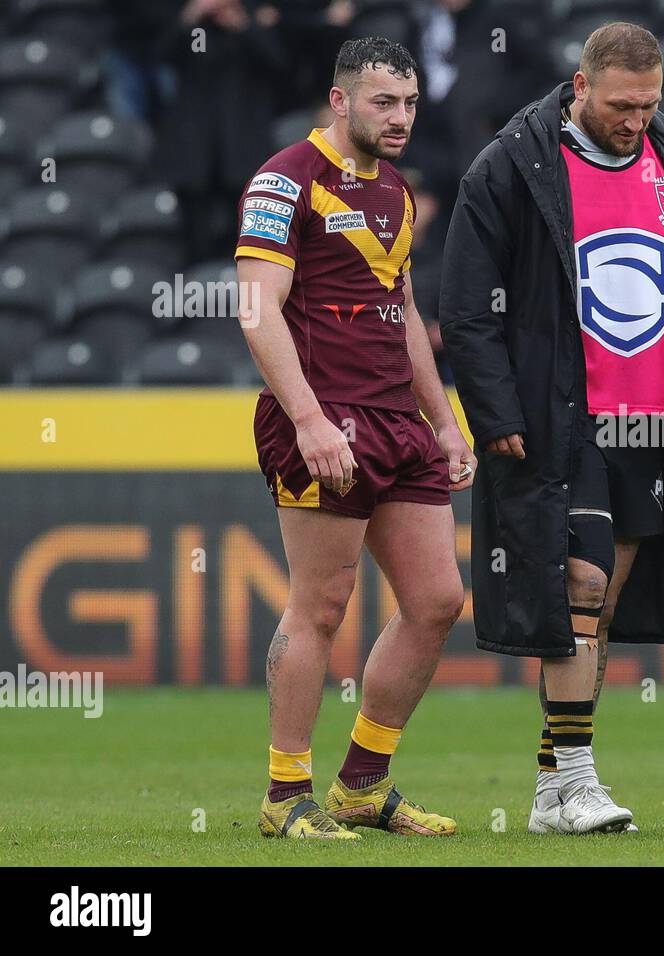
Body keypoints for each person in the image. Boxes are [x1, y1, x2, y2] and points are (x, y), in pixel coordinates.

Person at [439, 22, 664, 836]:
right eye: (620, 105)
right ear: (580, 87)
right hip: (558, 420)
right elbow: (467, 308)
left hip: (656, 424)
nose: (635, 119)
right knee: (581, 584)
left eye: (649, 104)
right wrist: (497, 413)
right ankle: (579, 781)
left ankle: (548, 792)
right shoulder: (513, 164)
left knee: (599, 608)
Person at [235, 37, 476, 839]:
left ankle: (363, 785)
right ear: (340, 102)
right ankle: (284, 794)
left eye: (408, 103)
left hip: (396, 422)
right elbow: (257, 310)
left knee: (438, 600)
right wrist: (307, 419)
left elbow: (401, 311)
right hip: (321, 417)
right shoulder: (283, 179)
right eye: (384, 102)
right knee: (322, 605)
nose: (401, 117)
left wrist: (442, 420)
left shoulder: (398, 191)